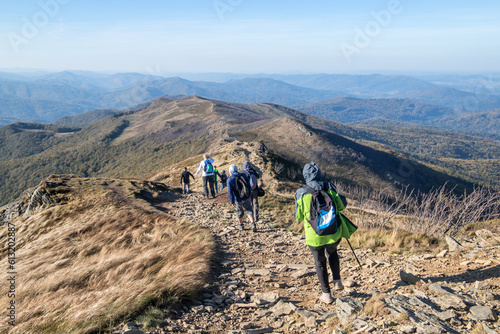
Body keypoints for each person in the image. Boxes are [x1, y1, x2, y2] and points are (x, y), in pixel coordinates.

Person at [295, 162, 357, 304]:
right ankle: (338, 282)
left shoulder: (300, 193)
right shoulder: (329, 187)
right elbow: (341, 207)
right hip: (334, 232)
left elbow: (298, 217)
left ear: (305, 175)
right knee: (333, 253)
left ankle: (326, 295)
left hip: (314, 236)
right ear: (319, 173)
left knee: (320, 261)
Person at [227, 164, 256, 232]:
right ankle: (253, 223)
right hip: (246, 197)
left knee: (239, 212)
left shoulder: (230, 179)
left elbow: (230, 192)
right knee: (249, 210)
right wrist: (249, 194)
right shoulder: (243, 175)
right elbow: (248, 185)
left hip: (238, 199)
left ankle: (241, 225)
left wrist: (232, 201)